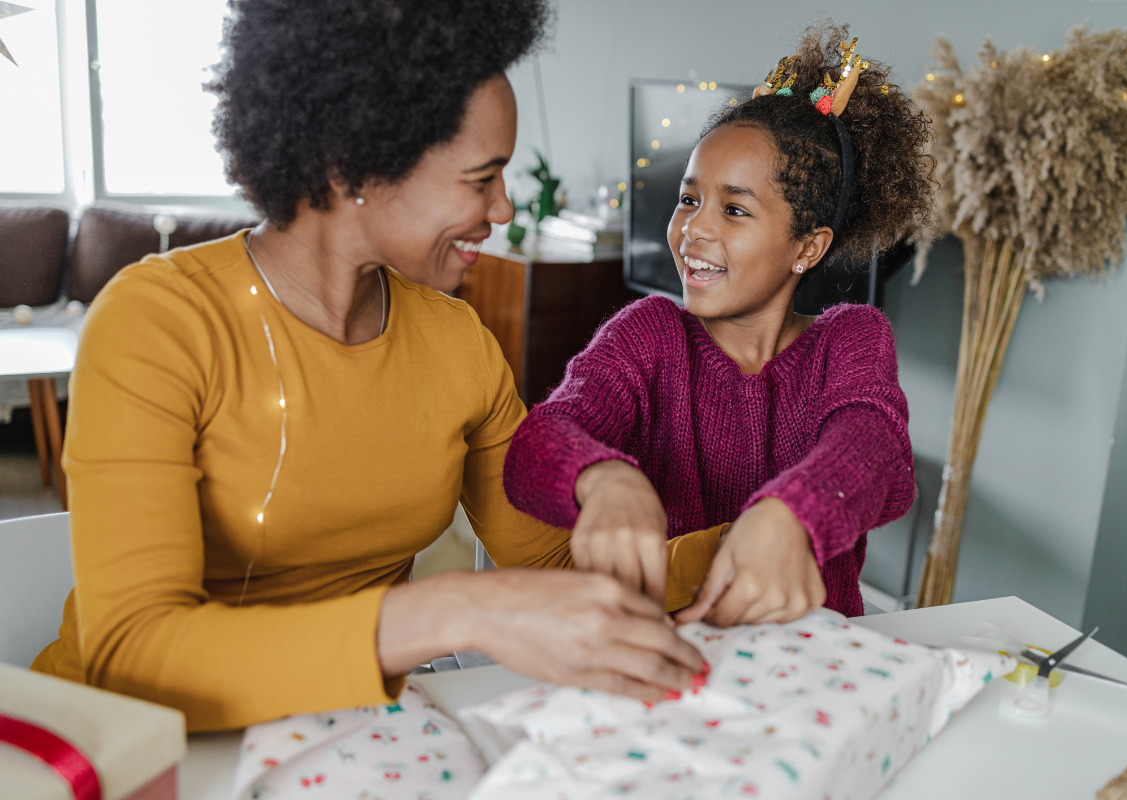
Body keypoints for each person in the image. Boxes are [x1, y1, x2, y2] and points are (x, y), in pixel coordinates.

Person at [31, 0, 709, 732]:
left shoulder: (455, 341)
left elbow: (551, 575)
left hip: (347, 737)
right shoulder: (158, 323)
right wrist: (457, 610)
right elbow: (134, 653)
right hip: (140, 750)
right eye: (481, 177)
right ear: (353, 165)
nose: (504, 206)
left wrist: (745, 544)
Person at [504, 23, 936, 624]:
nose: (694, 229)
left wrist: (792, 512)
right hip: (668, 651)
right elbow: (536, 445)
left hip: (809, 668)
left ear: (807, 248)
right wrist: (600, 478)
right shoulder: (648, 336)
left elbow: (877, 451)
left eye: (734, 209)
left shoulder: (849, 339)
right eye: (689, 199)